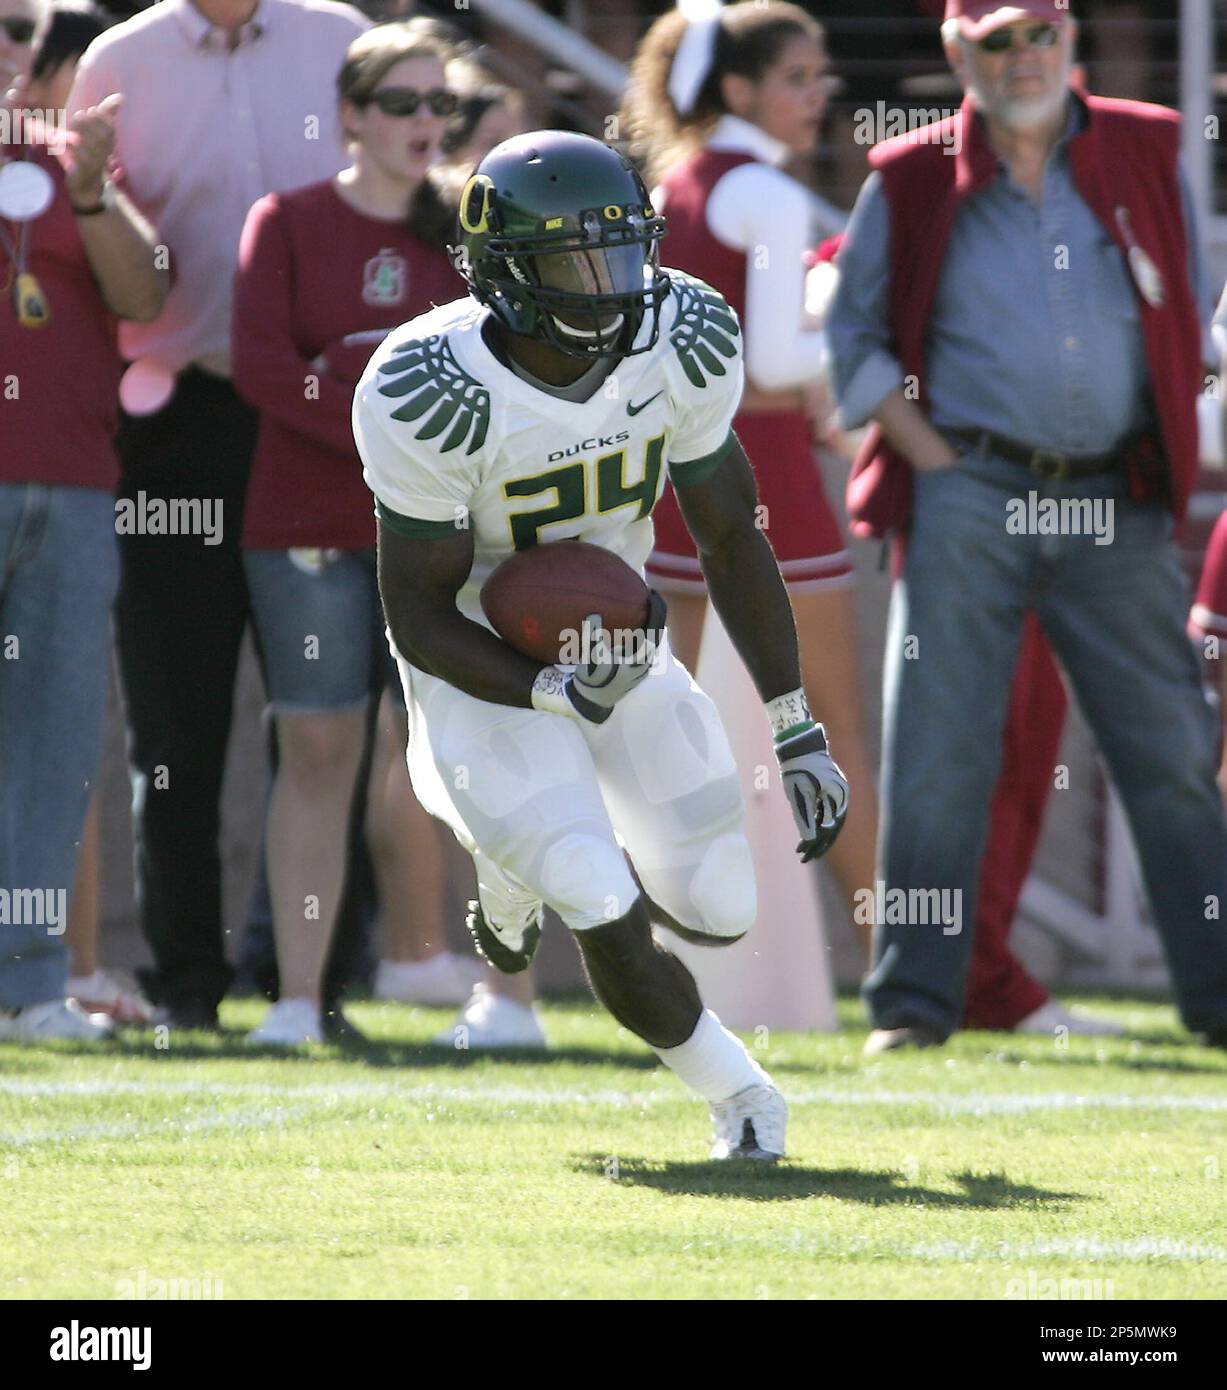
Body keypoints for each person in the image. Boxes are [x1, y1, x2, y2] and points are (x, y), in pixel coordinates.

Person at [354, 129, 850, 1158]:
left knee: (717, 907)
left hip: (618, 643)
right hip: (482, 660)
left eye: (625, 253)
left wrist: (797, 728)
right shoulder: (426, 388)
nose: (610, 286)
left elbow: (729, 536)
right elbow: (420, 618)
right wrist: (547, 693)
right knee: (592, 881)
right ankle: (742, 1095)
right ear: (503, 273)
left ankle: (516, 858)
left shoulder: (684, 332)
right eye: (575, 262)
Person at [828, 0, 1227, 1052]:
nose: (1024, 56)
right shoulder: (908, 172)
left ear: (1072, 40)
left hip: (1118, 498)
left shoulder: (1148, 142)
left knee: (1176, 750)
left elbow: (1195, 303)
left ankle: (1221, 997)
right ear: (959, 52)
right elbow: (855, 335)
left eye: (1041, 32)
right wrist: (931, 457)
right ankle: (915, 1006)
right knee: (937, 753)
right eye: (997, 39)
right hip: (972, 492)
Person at [67, 0, 369, 1032]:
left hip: (325, 425)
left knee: (328, 717)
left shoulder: (341, 38)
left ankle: (310, 982)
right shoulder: (122, 58)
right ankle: (189, 983)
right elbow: (91, 242)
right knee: (175, 722)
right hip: (178, 419)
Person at [620, 0, 878, 962]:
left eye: (821, 78)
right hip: (763, 477)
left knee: (664, 733)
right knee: (830, 730)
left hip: (666, 479)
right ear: (738, 88)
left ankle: (656, 965)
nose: (818, 98)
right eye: (796, 79)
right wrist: (849, 323)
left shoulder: (674, 181)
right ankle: (889, 965)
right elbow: (770, 358)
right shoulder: (762, 193)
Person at [231, 22, 471, 1044]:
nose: (427, 123)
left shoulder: (469, 228)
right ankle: (296, 999)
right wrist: (392, 434)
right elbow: (261, 367)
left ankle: (480, 991)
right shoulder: (284, 219)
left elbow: (498, 372)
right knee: (320, 745)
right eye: (406, 103)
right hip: (307, 525)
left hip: (439, 533)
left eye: (441, 106)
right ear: (353, 117)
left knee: (457, 753)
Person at [0, 22, 168, 1040]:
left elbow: (146, 293)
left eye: (16, 30)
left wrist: (95, 192)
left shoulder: (72, 162)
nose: (6, 47)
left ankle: (27, 987)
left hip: (70, 484)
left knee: (55, 744)